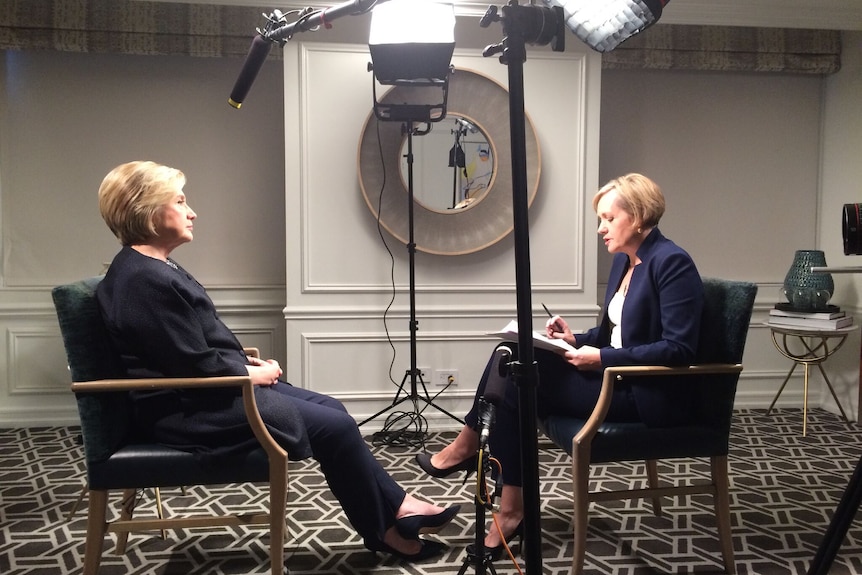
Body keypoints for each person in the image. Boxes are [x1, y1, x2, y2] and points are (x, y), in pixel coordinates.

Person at [95, 160, 459, 562]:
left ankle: (396, 508)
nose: (192, 211)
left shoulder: (149, 269)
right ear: (147, 212)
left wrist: (247, 369)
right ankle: (388, 529)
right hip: (187, 410)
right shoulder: (143, 279)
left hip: (203, 395)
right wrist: (253, 372)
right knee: (335, 427)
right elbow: (189, 364)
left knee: (333, 410)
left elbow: (184, 351)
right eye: (180, 201)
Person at [415, 173, 704, 559]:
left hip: (641, 393)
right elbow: (613, 333)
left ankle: (483, 468)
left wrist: (601, 358)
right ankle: (507, 504)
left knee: (516, 376)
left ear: (637, 216)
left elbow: (678, 349)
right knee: (511, 357)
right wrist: (575, 339)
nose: (601, 228)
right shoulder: (625, 262)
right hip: (612, 376)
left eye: (608, 218)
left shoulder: (672, 262)